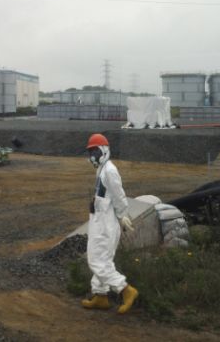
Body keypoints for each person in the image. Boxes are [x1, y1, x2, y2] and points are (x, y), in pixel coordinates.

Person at [80, 133, 139, 314]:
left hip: (106, 223)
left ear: (104, 150)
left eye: (95, 151)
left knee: (97, 260)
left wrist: (122, 216)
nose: (93, 156)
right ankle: (101, 296)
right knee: (102, 260)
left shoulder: (110, 170)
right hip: (100, 220)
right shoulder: (102, 169)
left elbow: (119, 196)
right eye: (91, 152)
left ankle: (125, 290)